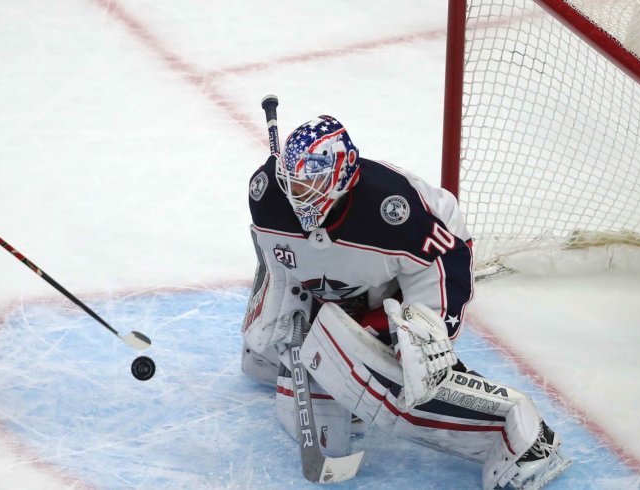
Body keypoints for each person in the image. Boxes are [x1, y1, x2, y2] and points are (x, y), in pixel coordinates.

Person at [240, 115, 572, 489]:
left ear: (344, 176)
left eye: (311, 182)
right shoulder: (267, 194)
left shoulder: (392, 210)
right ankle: (349, 382)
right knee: (275, 375)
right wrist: (285, 303)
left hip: (398, 291)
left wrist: (427, 328)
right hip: (344, 289)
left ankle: (523, 436)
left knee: (398, 385)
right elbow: (279, 255)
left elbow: (447, 257)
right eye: (294, 182)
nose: (299, 193)